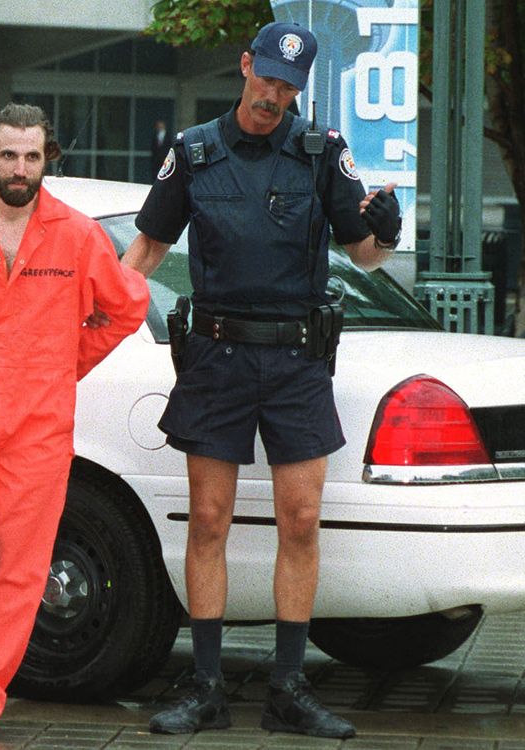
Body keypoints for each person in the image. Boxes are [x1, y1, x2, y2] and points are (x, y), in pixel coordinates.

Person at [119, 22, 402, 740]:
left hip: (297, 361)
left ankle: (287, 687)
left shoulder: (320, 152)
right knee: (209, 519)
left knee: (300, 521)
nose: (274, 95)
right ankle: (207, 685)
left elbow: (363, 255)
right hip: (216, 358)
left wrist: (387, 233)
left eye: (288, 86)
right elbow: (148, 247)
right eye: (266, 78)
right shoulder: (193, 152)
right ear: (245, 66)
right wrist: (89, 321)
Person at [0, 103, 149, 743]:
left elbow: (126, 307)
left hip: (37, 426)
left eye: (32, 156)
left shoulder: (77, 235)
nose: (20, 168)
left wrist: (61, 364)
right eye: (8, 155)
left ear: (48, 159)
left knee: (17, 562)